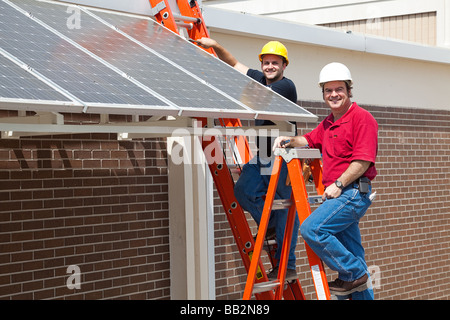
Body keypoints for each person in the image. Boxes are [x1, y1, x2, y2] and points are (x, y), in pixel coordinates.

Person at [196, 38, 300, 280]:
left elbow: (257, 99)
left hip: (283, 157)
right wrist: (214, 44)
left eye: (275, 62)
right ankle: (270, 224)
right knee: (243, 190)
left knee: (285, 209)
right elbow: (234, 64)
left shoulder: (286, 86)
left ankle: (288, 266)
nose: (270, 66)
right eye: (266, 62)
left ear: (284, 65)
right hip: (263, 155)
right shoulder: (259, 78)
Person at [273, 62, 378, 299]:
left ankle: (353, 272)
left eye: (339, 89)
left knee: (312, 228)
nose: (334, 95)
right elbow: (310, 139)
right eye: (328, 91)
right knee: (353, 252)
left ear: (349, 90)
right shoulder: (329, 122)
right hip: (340, 196)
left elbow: (362, 162)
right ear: (323, 94)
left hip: (351, 194)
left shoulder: (363, 119)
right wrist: (288, 140)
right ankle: (356, 276)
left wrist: (338, 184)